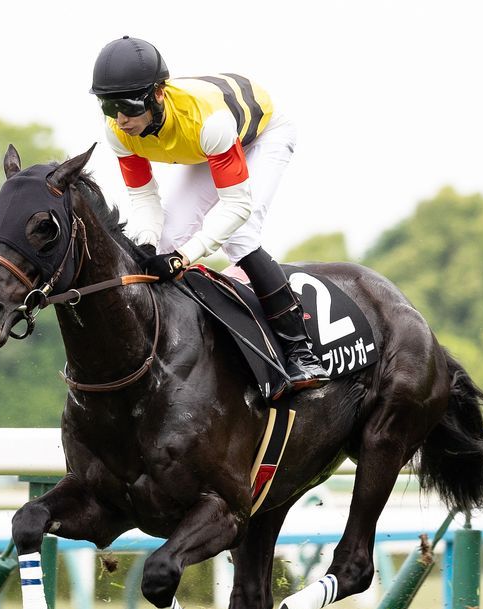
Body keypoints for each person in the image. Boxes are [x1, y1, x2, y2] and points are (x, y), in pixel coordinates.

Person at [90, 35, 328, 390]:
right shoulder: (118, 133)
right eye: (110, 107)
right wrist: (150, 245)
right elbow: (144, 198)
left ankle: (301, 353)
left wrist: (184, 257)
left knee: (240, 235)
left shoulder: (207, 121)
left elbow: (237, 206)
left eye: (127, 106)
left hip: (261, 137)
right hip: (210, 150)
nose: (121, 120)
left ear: (158, 94)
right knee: (165, 240)